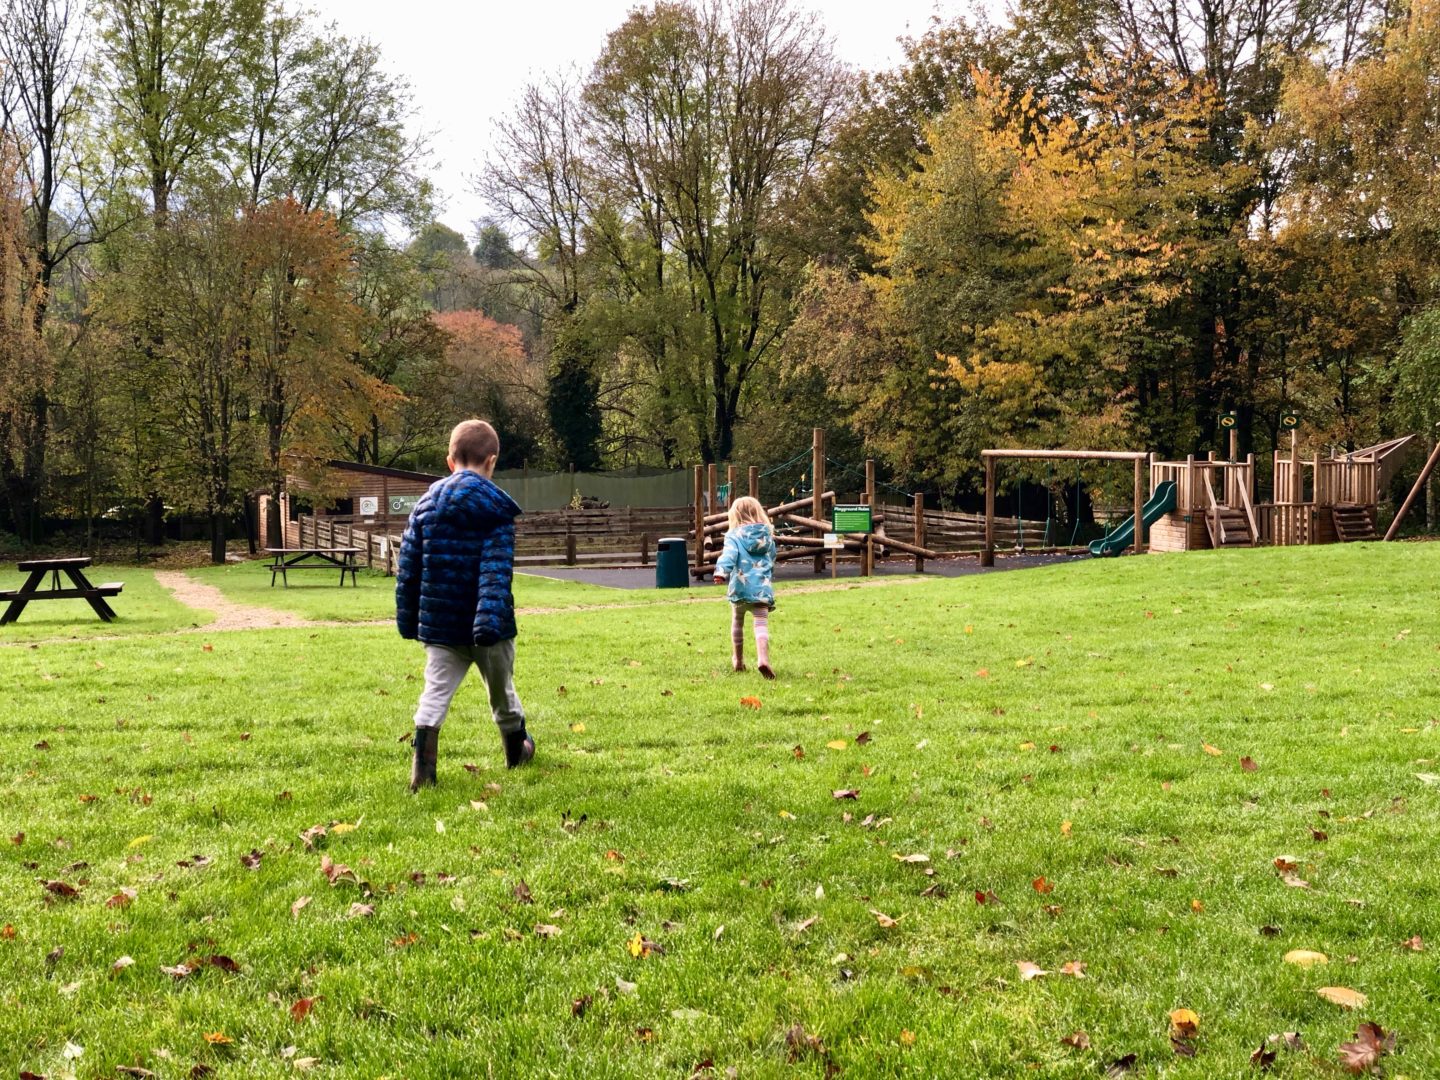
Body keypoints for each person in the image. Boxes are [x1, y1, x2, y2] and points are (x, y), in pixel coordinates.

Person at [396, 419, 533, 791]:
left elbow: (407, 569)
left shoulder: (424, 508)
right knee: (501, 692)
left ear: (449, 460)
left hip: (440, 626)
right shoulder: (495, 509)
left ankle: (423, 773)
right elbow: (495, 572)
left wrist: (409, 620)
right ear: (491, 461)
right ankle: (516, 752)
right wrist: (487, 624)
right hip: (490, 629)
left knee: (435, 693)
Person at [714, 495, 777, 679]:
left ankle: (738, 661)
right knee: (760, 624)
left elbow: (729, 555)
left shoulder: (734, 535)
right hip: (762, 588)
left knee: (737, 622)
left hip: (740, 588)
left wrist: (721, 572)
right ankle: (763, 659)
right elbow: (772, 558)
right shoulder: (767, 536)